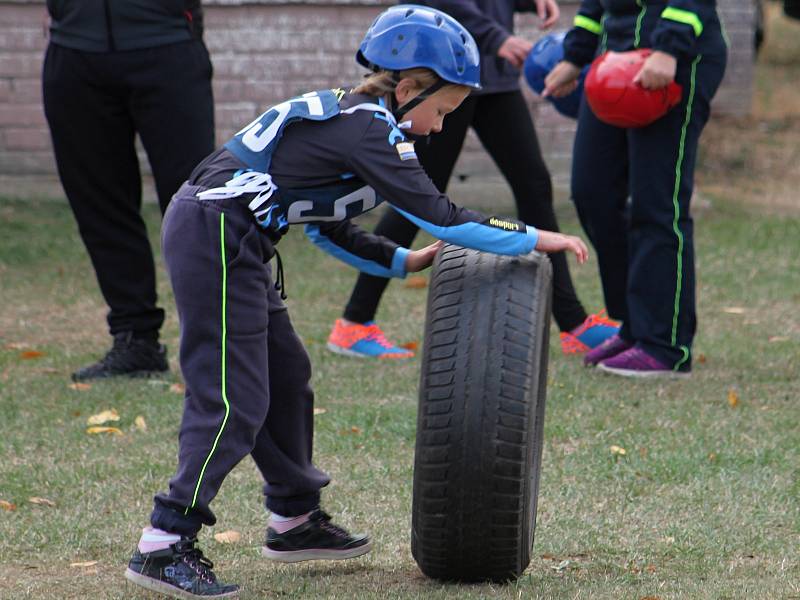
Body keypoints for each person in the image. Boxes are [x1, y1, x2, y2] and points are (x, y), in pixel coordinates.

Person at [123, 6, 588, 598]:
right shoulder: (368, 129)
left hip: (233, 235)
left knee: (287, 375)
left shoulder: (365, 125)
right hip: (216, 230)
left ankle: (293, 519)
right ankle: (164, 543)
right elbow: (443, 217)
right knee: (234, 398)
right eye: (441, 111)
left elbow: (325, 227)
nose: (441, 127)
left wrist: (401, 261)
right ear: (410, 87)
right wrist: (537, 237)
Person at [326, 0, 619, 361]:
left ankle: (572, 322)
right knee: (416, 196)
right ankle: (355, 321)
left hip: (489, 74)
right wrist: (495, 36)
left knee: (534, 185)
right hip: (440, 74)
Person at [543, 0, 727, 376]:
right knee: (592, 192)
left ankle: (664, 344)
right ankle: (635, 326)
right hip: (614, 63)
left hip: (675, 60)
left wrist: (668, 48)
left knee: (656, 203)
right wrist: (576, 54)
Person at [42, 0, 215, 382]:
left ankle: (220, 342)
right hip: (74, 51)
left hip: (166, 45)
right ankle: (135, 339)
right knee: (99, 206)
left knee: (196, 207)